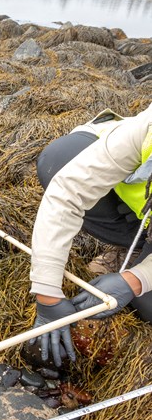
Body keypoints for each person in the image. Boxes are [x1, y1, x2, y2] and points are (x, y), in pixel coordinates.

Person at [29, 103, 152, 368]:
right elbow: (68, 190)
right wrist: (47, 293)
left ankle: (138, 261)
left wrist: (137, 279)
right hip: (138, 212)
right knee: (59, 160)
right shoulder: (148, 128)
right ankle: (131, 245)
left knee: (148, 304)